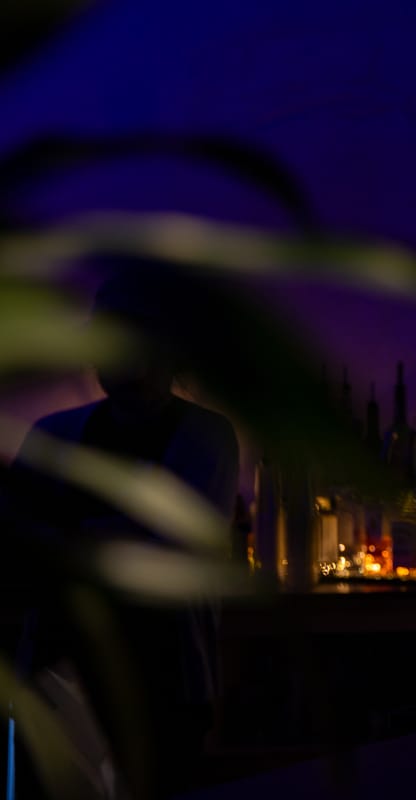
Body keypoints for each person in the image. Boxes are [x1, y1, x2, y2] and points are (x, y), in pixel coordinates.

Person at [5, 263, 240, 798]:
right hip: (63, 683)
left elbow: (169, 547)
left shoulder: (204, 436)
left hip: (160, 686)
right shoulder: (58, 434)